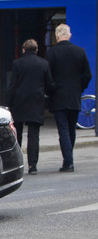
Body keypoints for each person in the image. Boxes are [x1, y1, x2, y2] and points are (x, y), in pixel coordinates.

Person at [46, 24, 92, 173]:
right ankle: (68, 158)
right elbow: (87, 74)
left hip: (58, 96)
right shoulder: (80, 51)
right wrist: (80, 87)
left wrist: (51, 89)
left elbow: (48, 75)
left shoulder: (51, 52)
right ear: (69, 35)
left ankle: (68, 161)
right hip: (74, 95)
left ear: (57, 36)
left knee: (63, 129)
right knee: (71, 129)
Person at [7, 39, 55, 175]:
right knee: (34, 135)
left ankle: (17, 163)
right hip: (36, 102)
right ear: (36, 49)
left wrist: (8, 103)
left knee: (18, 134)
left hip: (19, 102)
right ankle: (32, 166)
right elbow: (49, 84)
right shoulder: (44, 64)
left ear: (23, 50)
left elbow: (12, 86)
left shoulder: (17, 64)